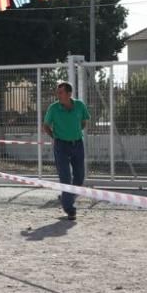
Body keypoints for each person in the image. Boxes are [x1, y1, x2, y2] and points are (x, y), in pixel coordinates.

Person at [42, 81, 90, 221]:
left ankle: (66, 197)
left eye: (61, 92)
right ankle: (70, 209)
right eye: (57, 92)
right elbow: (46, 126)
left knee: (80, 177)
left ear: (69, 94)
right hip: (61, 146)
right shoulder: (54, 108)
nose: (58, 95)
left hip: (77, 144)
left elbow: (84, 122)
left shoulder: (80, 105)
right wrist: (55, 138)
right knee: (65, 178)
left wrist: (75, 133)